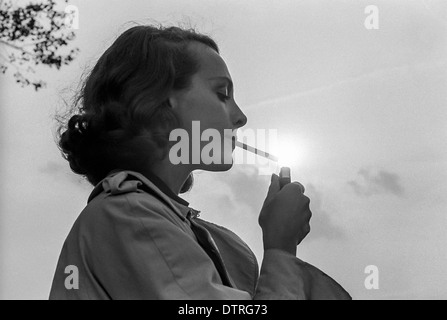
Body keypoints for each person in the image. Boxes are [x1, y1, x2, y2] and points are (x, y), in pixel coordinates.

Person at [49, 24, 351, 300]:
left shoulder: (219, 243)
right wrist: (281, 249)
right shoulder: (130, 216)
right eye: (222, 93)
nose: (241, 117)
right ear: (159, 102)